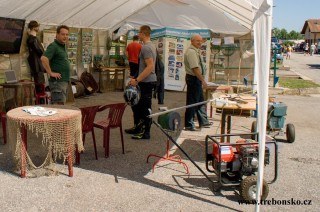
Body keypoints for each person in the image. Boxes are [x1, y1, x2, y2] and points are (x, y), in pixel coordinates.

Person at [125, 25, 157, 140]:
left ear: (143, 33)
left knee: (144, 107)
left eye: (139, 32)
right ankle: (138, 127)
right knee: (137, 105)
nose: (138, 34)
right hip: (144, 80)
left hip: (146, 82)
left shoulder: (146, 48)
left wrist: (137, 80)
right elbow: (144, 66)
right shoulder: (149, 46)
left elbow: (150, 67)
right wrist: (135, 77)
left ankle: (145, 132)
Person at [184, 34, 211, 131]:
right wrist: (202, 81)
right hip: (194, 78)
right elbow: (195, 68)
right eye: (197, 41)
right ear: (192, 41)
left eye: (201, 41)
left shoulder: (196, 51)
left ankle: (203, 121)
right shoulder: (191, 52)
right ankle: (188, 124)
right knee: (192, 102)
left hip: (196, 79)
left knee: (200, 101)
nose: (200, 42)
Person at [41, 25, 70, 105]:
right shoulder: (54, 46)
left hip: (63, 82)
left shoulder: (62, 46)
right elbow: (44, 58)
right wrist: (50, 73)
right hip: (57, 83)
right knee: (58, 107)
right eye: (63, 34)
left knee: (62, 106)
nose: (65, 36)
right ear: (57, 35)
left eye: (67, 34)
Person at [26, 20, 45, 93]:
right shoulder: (32, 39)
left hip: (37, 63)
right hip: (36, 64)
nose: (38, 28)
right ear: (34, 27)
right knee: (39, 85)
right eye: (37, 27)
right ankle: (40, 102)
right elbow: (40, 51)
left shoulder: (32, 38)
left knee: (39, 84)